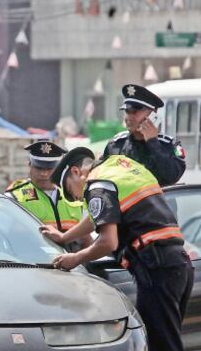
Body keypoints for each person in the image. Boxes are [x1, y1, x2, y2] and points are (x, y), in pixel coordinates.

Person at [48, 147, 196, 351]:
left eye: (71, 191)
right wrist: (64, 237)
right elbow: (101, 217)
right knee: (158, 349)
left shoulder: (98, 185)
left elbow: (108, 240)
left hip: (156, 265)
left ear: (77, 173)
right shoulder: (120, 168)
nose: (77, 198)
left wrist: (74, 257)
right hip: (175, 261)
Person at [41, 83, 187, 248]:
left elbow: (171, 176)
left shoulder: (168, 146)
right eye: (127, 111)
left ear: (153, 116)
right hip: (122, 232)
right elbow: (103, 191)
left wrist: (152, 142)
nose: (128, 117)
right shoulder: (116, 144)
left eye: (135, 112)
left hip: (157, 228)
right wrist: (65, 237)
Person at [6, 140, 90, 249]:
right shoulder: (14, 196)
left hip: (72, 263)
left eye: (50, 168)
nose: (44, 173)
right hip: (32, 263)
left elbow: (86, 239)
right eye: (38, 167)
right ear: (30, 165)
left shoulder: (75, 196)